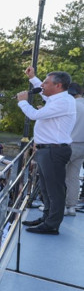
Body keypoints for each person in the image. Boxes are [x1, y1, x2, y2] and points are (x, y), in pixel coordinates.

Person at [20, 67, 76, 234]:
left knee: (55, 190)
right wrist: (32, 78)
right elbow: (45, 94)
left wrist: (22, 101)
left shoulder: (63, 102)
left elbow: (35, 115)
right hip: (48, 150)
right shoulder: (57, 99)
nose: (42, 85)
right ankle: (47, 218)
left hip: (54, 151)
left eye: (46, 82)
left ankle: (51, 224)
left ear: (58, 86)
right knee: (46, 188)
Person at [63, 82, 84, 215]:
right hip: (82, 146)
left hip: (69, 144)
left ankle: (62, 206)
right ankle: (71, 206)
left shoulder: (71, 105)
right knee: (73, 177)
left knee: (60, 176)